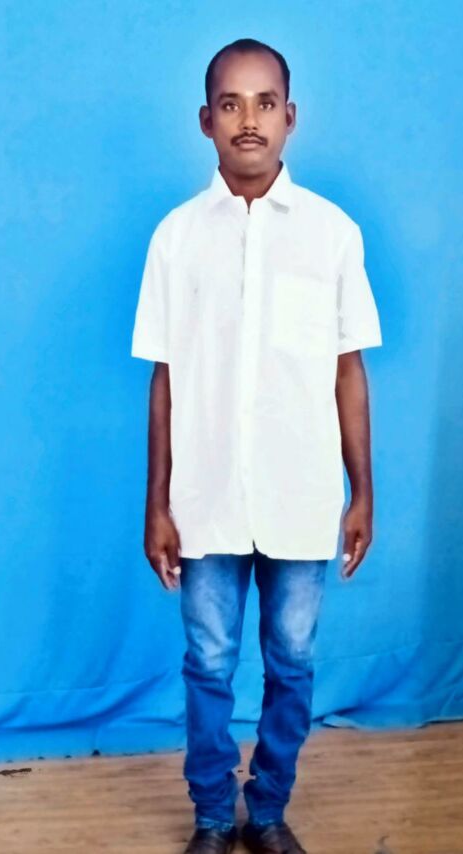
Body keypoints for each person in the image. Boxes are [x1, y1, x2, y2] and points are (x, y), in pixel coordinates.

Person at [131, 37, 382, 854]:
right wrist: (157, 503)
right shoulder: (176, 238)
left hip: (300, 494)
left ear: (290, 117)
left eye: (265, 103)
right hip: (204, 498)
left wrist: (362, 490)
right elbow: (165, 378)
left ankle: (267, 810)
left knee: (293, 661)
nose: (249, 120)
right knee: (208, 663)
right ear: (205, 120)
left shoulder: (332, 234)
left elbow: (348, 370)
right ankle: (212, 815)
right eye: (231, 104)